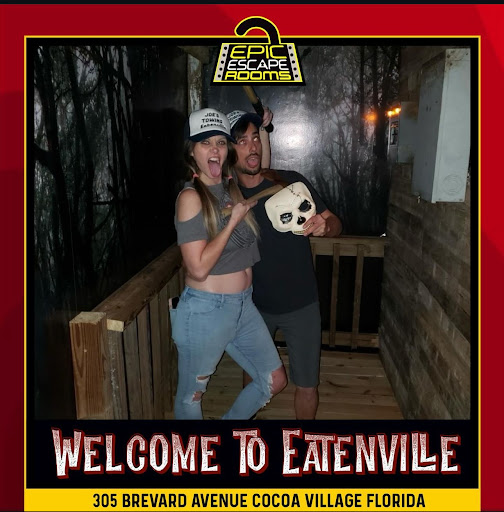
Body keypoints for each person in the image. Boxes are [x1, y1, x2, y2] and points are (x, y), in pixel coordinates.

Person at [170, 107, 287, 420]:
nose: (214, 150)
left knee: (273, 380)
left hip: (243, 305)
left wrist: (263, 129)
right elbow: (197, 268)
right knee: (191, 397)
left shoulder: (230, 187)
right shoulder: (191, 198)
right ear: (191, 151)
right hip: (206, 310)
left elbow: (261, 165)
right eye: (205, 143)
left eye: (221, 142)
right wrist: (233, 221)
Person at [227, 108, 343, 420]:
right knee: (254, 377)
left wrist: (326, 226)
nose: (252, 146)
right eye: (241, 141)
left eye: (255, 138)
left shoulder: (290, 182)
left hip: (302, 304)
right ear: (229, 150)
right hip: (254, 306)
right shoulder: (228, 199)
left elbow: (335, 223)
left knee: (307, 384)